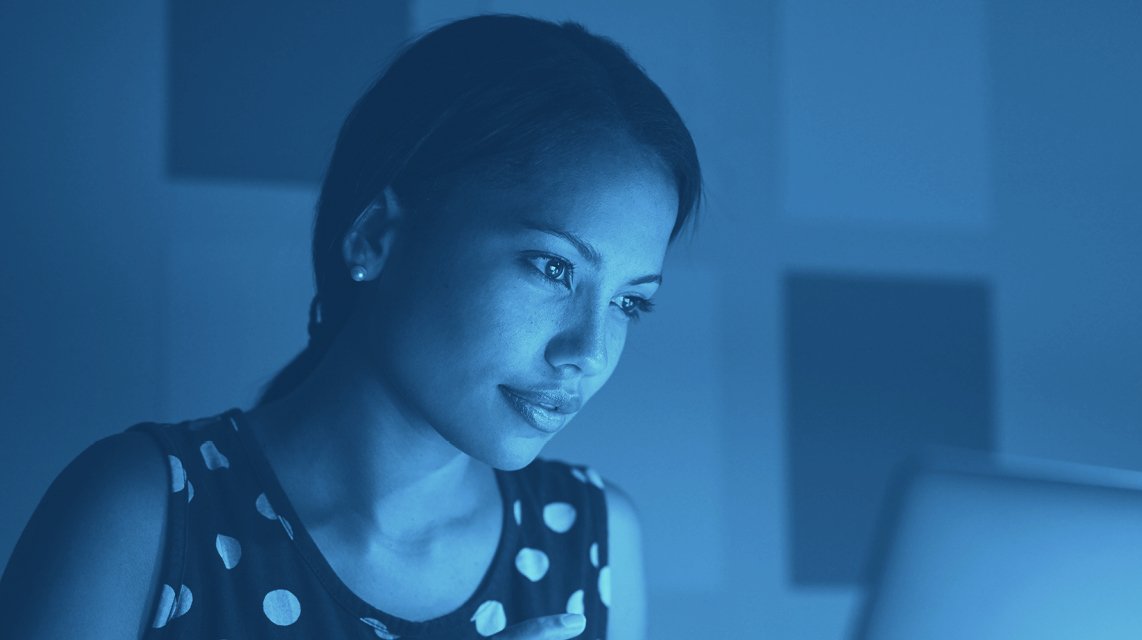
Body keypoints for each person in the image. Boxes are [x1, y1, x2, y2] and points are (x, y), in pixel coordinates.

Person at [0, 14, 702, 639]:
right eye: (551, 268)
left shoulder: (595, 539)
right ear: (374, 236)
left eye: (629, 303)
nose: (587, 351)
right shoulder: (139, 516)